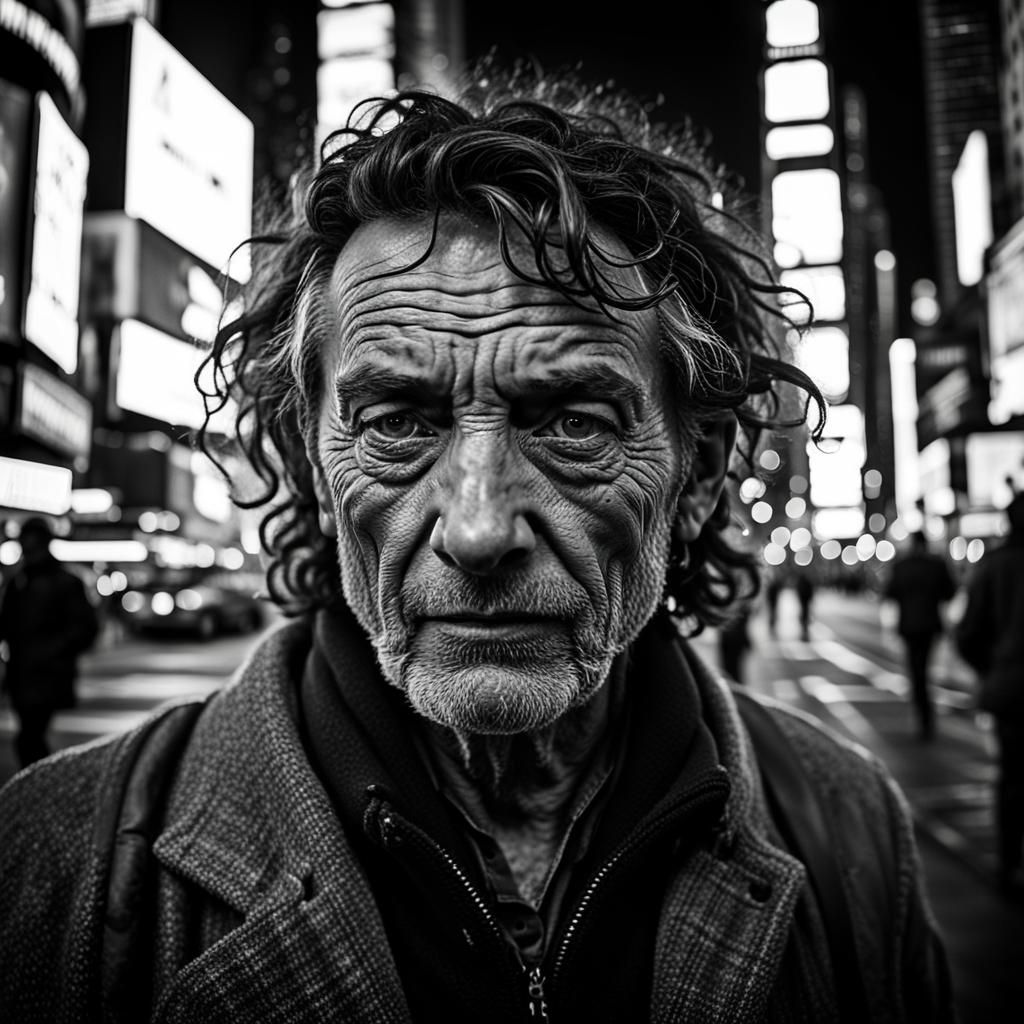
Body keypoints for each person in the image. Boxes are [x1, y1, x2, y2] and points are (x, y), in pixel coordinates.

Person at [0, 68, 952, 1021]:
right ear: (311, 466)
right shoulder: (58, 862)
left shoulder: (848, 827)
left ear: (697, 472)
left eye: (573, 422)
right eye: (399, 423)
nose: (479, 526)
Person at [955, 493, 1024, 895]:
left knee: (1013, 777)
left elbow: (968, 634)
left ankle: (1009, 861)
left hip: (1011, 690)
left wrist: (994, 668)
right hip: (1010, 686)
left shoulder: (994, 567)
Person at [0, 516, 99, 768]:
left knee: (30, 738)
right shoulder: (19, 581)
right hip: (23, 671)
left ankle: (43, 788)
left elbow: (86, 629)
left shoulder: (63, 583)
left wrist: (53, 652)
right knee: (29, 737)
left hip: (46, 673)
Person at [883, 531, 957, 741]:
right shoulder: (936, 565)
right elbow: (949, 592)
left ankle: (922, 715)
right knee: (923, 669)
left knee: (915, 672)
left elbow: (890, 592)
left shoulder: (902, 566)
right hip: (929, 625)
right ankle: (926, 717)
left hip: (909, 626)